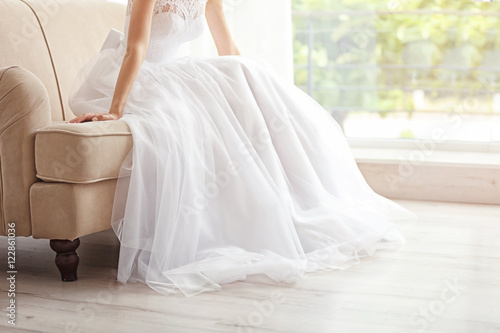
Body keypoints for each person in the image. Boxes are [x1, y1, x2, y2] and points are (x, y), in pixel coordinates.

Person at [68, 0, 415, 297]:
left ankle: (280, 205)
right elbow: (136, 48)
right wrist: (116, 110)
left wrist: (247, 83)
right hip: (137, 77)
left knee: (250, 76)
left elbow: (228, 48)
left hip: (174, 74)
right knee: (194, 113)